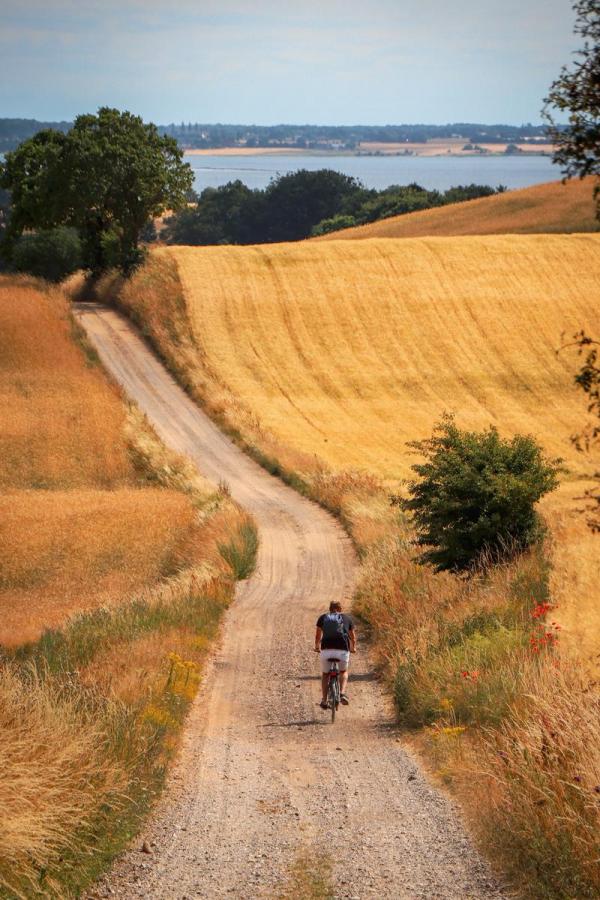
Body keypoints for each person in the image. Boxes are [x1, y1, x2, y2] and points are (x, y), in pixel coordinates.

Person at [314, 600, 356, 710]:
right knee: (343, 672)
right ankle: (342, 693)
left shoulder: (323, 618)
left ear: (329, 608)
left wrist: (317, 647)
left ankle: (324, 700)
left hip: (326, 650)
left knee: (325, 674)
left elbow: (318, 636)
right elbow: (352, 637)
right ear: (340, 609)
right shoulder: (346, 618)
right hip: (342, 650)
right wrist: (353, 647)